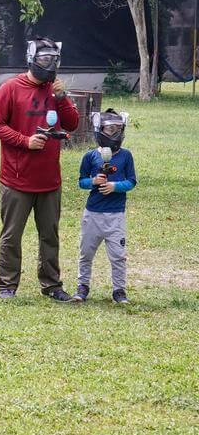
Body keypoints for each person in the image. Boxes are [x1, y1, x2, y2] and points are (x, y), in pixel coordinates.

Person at [0, 37, 79, 302]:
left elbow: (72, 123)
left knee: (49, 236)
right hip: (16, 179)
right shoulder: (10, 88)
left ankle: (52, 285)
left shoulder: (55, 90)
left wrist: (62, 98)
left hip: (49, 179)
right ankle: (7, 285)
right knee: (12, 236)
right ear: (31, 59)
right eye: (44, 59)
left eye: (53, 59)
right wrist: (24, 141)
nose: (49, 65)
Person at [73, 109, 136, 304]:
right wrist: (93, 181)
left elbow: (131, 182)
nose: (114, 133)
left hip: (115, 216)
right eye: (109, 129)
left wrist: (114, 186)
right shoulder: (91, 156)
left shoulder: (126, 156)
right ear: (99, 130)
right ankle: (82, 287)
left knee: (118, 256)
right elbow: (81, 182)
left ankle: (119, 290)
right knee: (86, 253)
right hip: (92, 215)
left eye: (117, 129)